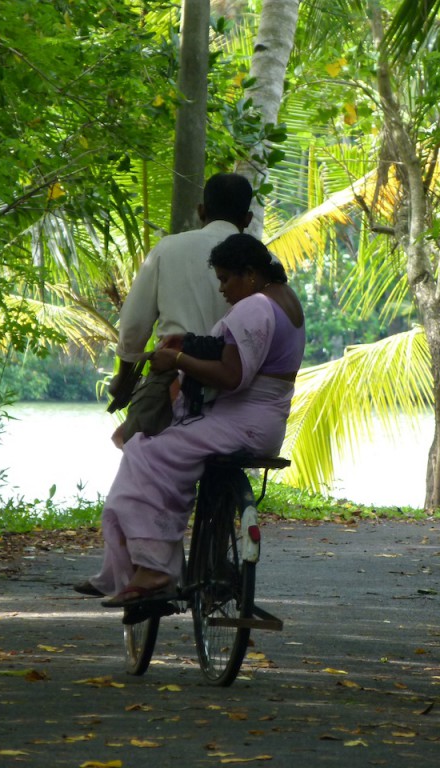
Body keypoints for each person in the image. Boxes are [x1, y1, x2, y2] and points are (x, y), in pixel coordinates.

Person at [77, 233, 305, 606]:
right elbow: (239, 355)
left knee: (144, 453)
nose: (222, 289)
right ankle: (139, 566)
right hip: (263, 423)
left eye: (226, 279)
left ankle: (153, 569)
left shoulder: (254, 307)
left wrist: (178, 361)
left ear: (249, 275)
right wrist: (193, 343)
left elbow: (232, 376)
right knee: (153, 451)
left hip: (240, 422)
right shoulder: (285, 299)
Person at [105, 173, 254, 449]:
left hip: (174, 385)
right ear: (247, 219)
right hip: (239, 396)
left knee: (135, 452)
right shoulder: (265, 262)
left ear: (201, 211)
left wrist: (123, 381)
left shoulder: (168, 249)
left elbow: (134, 326)